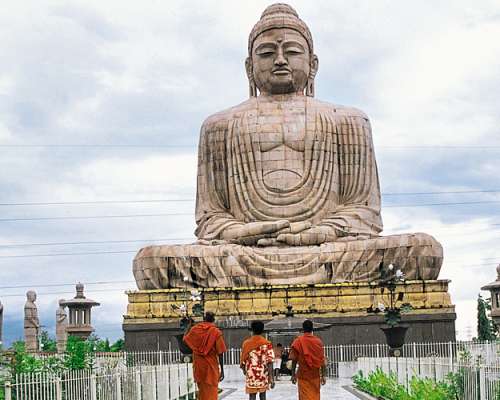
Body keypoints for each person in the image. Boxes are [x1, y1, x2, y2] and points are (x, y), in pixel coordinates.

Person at [184, 312, 227, 400]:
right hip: (211, 367)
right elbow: (220, 352)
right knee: (211, 391)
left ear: (204, 319)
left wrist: (189, 327)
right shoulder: (216, 332)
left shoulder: (195, 330)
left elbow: (185, 339)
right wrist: (222, 370)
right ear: (213, 320)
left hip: (199, 366)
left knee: (202, 391)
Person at [290, 320, 326, 400]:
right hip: (315, 376)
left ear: (303, 329)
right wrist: (323, 375)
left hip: (303, 375)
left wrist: (293, 375)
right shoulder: (318, 342)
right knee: (315, 396)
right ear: (312, 329)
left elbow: (294, 360)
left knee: (304, 397)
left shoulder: (297, 341)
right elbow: (322, 360)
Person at [240, 321, 275, 400]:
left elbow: (242, 360)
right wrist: (271, 377)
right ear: (262, 330)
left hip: (251, 374)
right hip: (263, 374)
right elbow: (270, 361)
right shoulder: (267, 344)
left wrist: (244, 370)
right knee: (263, 396)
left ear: (252, 330)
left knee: (252, 396)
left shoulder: (246, 344)